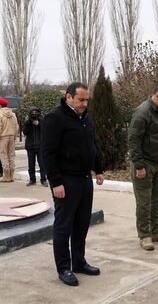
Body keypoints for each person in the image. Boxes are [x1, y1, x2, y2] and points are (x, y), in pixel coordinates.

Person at [42, 82, 104, 287]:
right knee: (63, 226)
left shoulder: (86, 117)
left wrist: (99, 168)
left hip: (85, 179)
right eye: (81, 100)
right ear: (68, 97)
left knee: (81, 224)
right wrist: (56, 183)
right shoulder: (55, 118)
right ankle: (64, 268)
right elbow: (48, 154)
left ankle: (79, 262)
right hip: (66, 181)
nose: (85, 103)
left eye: (87, 100)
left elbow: (92, 144)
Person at [128, 84, 158, 251]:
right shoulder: (142, 112)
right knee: (144, 202)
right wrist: (139, 165)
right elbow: (134, 140)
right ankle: (145, 235)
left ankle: (157, 231)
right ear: (156, 95)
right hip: (145, 164)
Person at [0, 97, 19, 183]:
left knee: (3, 156)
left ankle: (6, 176)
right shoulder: (13, 114)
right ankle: (12, 175)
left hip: (3, 137)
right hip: (11, 137)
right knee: (11, 156)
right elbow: (17, 127)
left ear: (0, 105)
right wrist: (15, 137)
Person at [22, 107, 48, 187]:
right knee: (31, 164)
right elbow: (25, 132)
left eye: (35, 112)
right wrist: (28, 123)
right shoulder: (28, 121)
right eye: (32, 112)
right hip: (30, 146)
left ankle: (43, 180)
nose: (34, 114)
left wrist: (39, 124)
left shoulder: (41, 119)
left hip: (40, 146)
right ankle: (32, 180)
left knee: (42, 164)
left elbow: (46, 130)